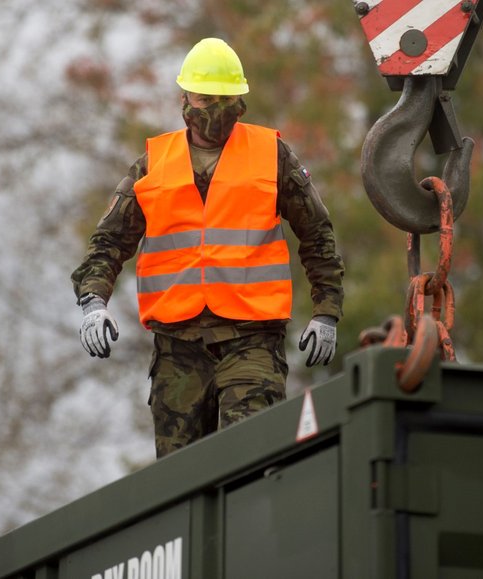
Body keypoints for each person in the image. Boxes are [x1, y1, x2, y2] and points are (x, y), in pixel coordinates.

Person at [71, 38, 345, 458]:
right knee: (179, 478)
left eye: (225, 98)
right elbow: (109, 240)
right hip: (177, 348)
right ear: (184, 99)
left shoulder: (272, 155)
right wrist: (93, 302)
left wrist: (326, 313)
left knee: (249, 460)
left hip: (252, 341)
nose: (215, 108)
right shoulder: (152, 164)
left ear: (240, 101)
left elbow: (317, 234)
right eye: (205, 98)